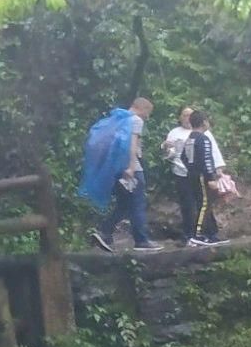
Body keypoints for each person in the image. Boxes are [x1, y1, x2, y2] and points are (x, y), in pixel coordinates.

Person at [83, 97, 160, 253]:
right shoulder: (136, 120)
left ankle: (104, 232)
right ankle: (141, 241)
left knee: (123, 204)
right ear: (142, 108)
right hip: (132, 169)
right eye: (148, 112)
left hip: (116, 169)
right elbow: (132, 145)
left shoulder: (117, 119)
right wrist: (131, 167)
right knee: (138, 203)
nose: (148, 116)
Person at [182, 111, 230, 247]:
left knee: (201, 204)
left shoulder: (190, 138)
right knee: (204, 204)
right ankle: (198, 235)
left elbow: (183, 157)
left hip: (192, 175)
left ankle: (209, 234)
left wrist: (190, 168)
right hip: (203, 176)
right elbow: (207, 161)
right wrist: (211, 178)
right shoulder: (203, 139)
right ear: (204, 122)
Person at [163, 106, 197, 241]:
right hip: (181, 172)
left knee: (201, 203)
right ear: (179, 117)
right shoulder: (174, 132)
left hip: (198, 172)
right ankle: (188, 233)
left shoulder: (201, 131)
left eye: (190, 115)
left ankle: (203, 233)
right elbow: (170, 154)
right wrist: (167, 148)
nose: (188, 118)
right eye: (185, 115)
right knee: (187, 204)